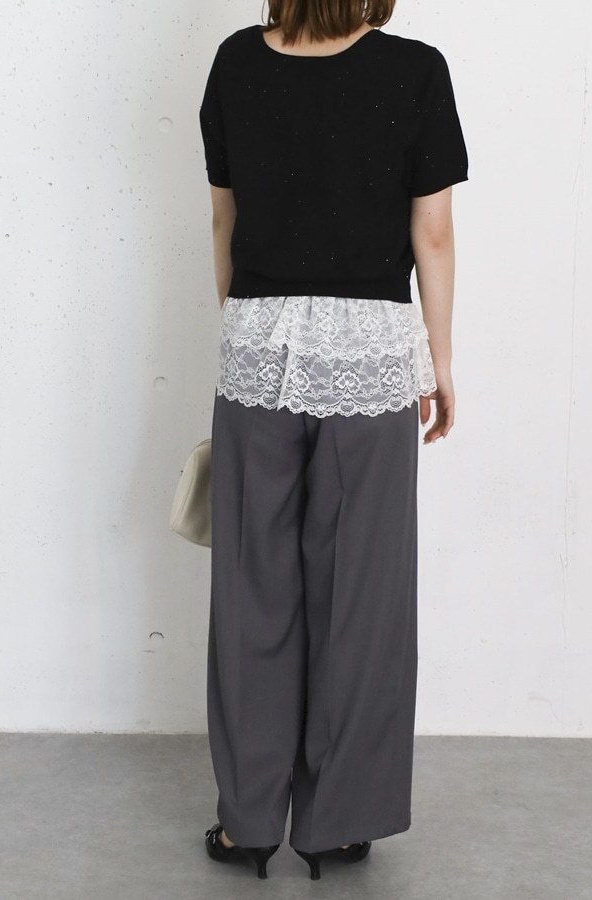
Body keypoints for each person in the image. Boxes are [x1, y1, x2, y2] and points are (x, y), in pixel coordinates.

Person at [198, 0, 468, 881]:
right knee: (362, 596)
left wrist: (244, 327)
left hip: (259, 347)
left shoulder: (237, 61)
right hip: (371, 356)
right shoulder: (415, 69)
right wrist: (440, 361)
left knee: (252, 587)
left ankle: (247, 823)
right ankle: (339, 823)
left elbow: (225, 221)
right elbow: (432, 231)